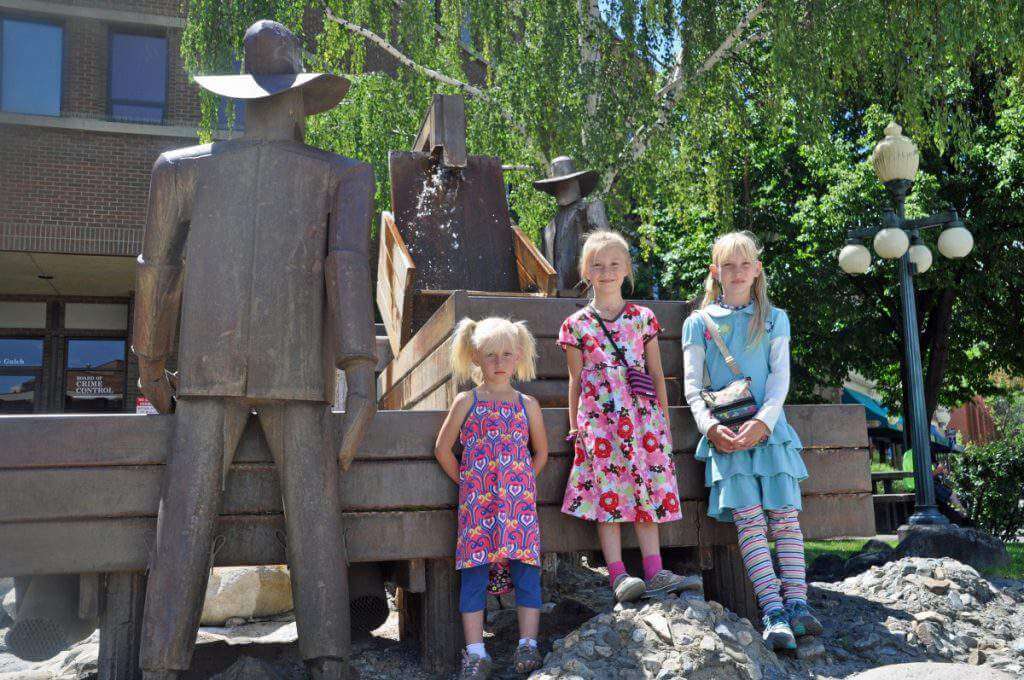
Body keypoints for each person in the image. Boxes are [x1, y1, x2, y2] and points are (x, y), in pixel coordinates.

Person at [681, 231, 821, 650]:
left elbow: (779, 379)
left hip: (769, 432)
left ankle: (797, 604)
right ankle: (772, 611)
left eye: (745, 264)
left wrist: (763, 421)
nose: (737, 272)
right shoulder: (699, 323)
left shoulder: (775, 317)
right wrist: (709, 428)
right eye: (728, 265)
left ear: (757, 270)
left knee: (784, 518)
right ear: (715, 272)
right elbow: (692, 385)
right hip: (726, 436)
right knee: (750, 521)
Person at [558, 230, 696, 604]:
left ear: (626, 270)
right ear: (586, 270)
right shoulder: (576, 326)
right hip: (600, 422)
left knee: (646, 489)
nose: (606, 271)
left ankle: (655, 571)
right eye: (598, 265)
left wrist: (662, 421)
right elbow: (576, 379)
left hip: (642, 420)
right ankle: (618, 575)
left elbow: (655, 373)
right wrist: (576, 426)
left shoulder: (643, 319)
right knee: (609, 493)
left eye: (614, 264)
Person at [434, 317, 549, 679]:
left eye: (506, 354)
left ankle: (528, 646)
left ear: (518, 357)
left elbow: (540, 453)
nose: (499, 362)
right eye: (490, 355)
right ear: (476, 357)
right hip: (477, 509)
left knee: (527, 572)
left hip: (519, 510)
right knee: (474, 576)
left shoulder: (527, 404)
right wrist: (467, 483)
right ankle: (475, 652)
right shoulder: (466, 401)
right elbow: (442, 449)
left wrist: (523, 483)